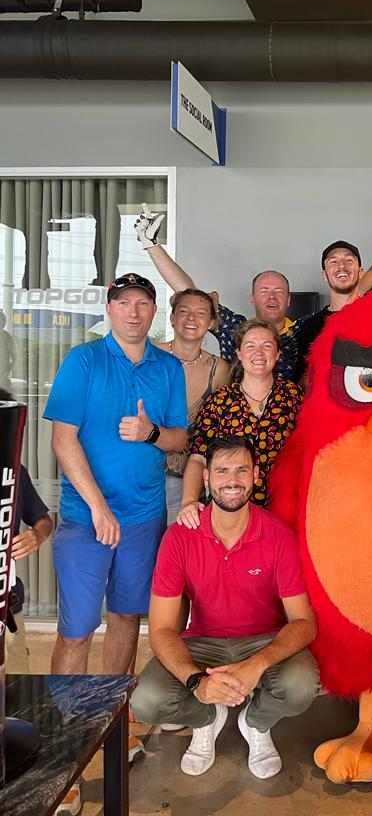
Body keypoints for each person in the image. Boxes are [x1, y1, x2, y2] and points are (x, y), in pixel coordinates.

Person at [43, 271, 187, 805]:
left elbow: (180, 437)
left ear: (155, 313)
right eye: (123, 303)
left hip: (144, 517)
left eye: (143, 304)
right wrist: (99, 507)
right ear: (110, 308)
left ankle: (110, 724)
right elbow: (62, 439)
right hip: (86, 518)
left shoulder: (167, 367)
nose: (133, 312)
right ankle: (65, 740)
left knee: (127, 618)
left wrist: (151, 434)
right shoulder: (83, 361)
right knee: (77, 630)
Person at [131, 436, 318, 779]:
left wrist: (256, 665)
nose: (232, 480)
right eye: (221, 471)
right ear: (205, 478)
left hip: (261, 640)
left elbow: (304, 622)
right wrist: (196, 682)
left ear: (255, 476)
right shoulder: (179, 538)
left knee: (301, 685)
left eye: (241, 470)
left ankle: (256, 723)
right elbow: (161, 630)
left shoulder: (278, 535)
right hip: (203, 643)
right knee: (146, 700)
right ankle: (207, 718)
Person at [288, 153, 372, 382]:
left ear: (360, 270)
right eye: (333, 261)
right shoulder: (309, 327)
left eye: (349, 260)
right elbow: (303, 383)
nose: (342, 265)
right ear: (324, 274)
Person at [134, 207, 297, 377]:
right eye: (264, 291)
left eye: (279, 291)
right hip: (233, 403)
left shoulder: (305, 330)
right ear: (252, 299)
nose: (272, 297)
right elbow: (191, 295)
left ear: (288, 300)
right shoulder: (235, 327)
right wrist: (151, 244)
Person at [177, 319, 301, 528]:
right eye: (250, 346)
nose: (259, 353)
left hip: (284, 513)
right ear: (239, 354)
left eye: (267, 346)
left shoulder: (294, 397)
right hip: (230, 513)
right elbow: (198, 458)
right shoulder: (220, 400)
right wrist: (189, 501)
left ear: (278, 354)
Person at [157, 288, 230, 523]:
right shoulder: (151, 356)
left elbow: (216, 427)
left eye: (200, 313)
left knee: (176, 550)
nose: (191, 319)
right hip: (143, 474)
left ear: (211, 322)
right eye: (184, 311)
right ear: (172, 317)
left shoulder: (218, 369)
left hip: (186, 479)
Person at [0, 389, 54, 674]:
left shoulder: (15, 472)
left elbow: (44, 520)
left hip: (9, 604)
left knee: (15, 679)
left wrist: (38, 535)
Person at [0, 309, 14, 390]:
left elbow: (15, 356)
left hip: (3, 373)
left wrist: (8, 369)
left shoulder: (7, 336)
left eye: (2, 321)